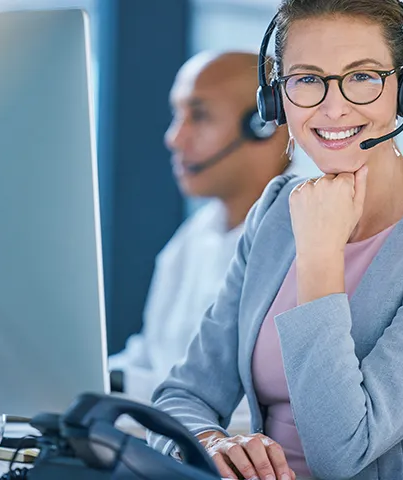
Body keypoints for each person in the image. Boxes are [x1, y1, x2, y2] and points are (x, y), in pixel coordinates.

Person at [147, 1, 403, 480]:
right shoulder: (278, 210)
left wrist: (319, 255)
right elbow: (182, 394)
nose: (333, 107)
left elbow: (342, 453)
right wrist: (210, 443)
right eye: (307, 79)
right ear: (276, 98)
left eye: (362, 77)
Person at [108, 51, 290, 413]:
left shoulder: (300, 241)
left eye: (199, 115)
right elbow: (150, 355)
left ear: (263, 125)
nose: (174, 138)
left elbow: (249, 403)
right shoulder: (196, 235)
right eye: (177, 115)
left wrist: (125, 385)